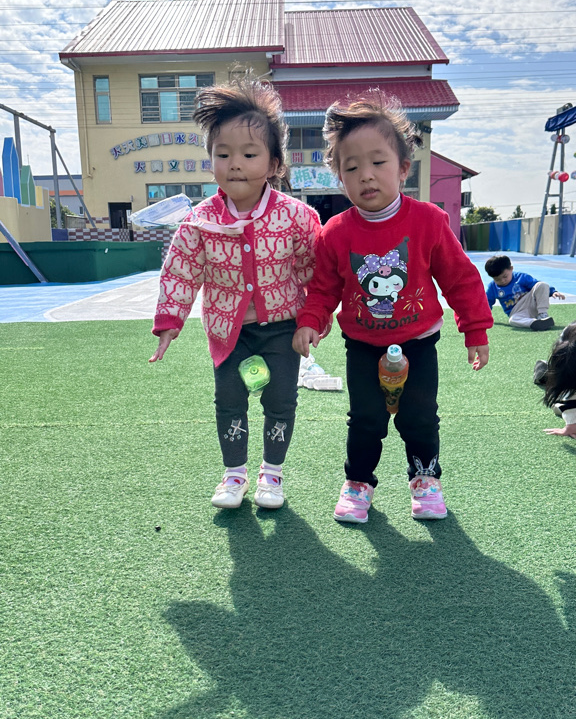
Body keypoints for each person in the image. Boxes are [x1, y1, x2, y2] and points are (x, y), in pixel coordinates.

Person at [292, 94, 493, 523]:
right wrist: (311, 321)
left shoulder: (428, 221)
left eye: (378, 162)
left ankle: (425, 479)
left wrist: (475, 329)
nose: (365, 175)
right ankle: (358, 483)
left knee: (419, 417)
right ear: (339, 177)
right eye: (351, 168)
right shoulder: (335, 233)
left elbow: (459, 278)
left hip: (418, 342)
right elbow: (323, 288)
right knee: (366, 418)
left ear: (403, 168)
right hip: (363, 346)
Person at [150, 77, 322, 510]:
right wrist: (169, 322)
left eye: (249, 154)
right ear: (211, 160)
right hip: (229, 332)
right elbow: (180, 271)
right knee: (229, 400)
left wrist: (313, 320)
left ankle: (272, 474)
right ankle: (234, 474)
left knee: (280, 400)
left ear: (274, 163)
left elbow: (315, 272)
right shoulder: (200, 221)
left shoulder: (297, 217)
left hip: (282, 329)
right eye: (223, 154)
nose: (235, 164)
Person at [484, 254, 564, 330]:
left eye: (505, 276)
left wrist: (553, 292)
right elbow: (487, 302)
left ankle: (543, 315)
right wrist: (484, 316)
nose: (502, 281)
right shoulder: (493, 287)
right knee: (512, 320)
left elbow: (537, 286)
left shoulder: (521, 277)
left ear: (511, 268)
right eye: (497, 279)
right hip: (517, 312)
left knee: (541, 284)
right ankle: (534, 323)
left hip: (530, 303)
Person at [534, 322, 576, 438]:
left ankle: (547, 373)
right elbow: (570, 387)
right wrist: (572, 424)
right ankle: (547, 374)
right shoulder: (567, 347)